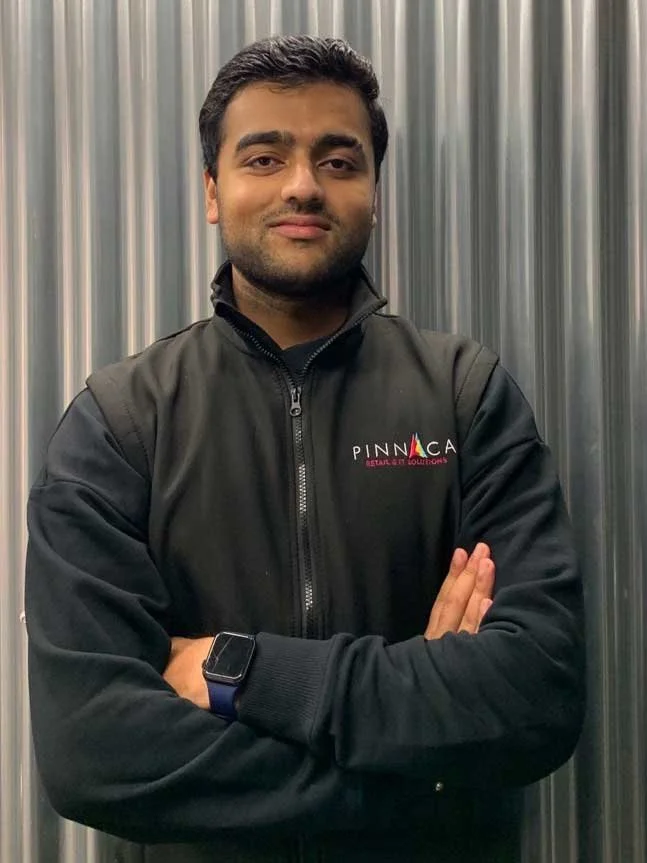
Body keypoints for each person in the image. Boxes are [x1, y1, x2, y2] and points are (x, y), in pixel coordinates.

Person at [25, 35, 585, 863]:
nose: (301, 185)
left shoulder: (463, 396)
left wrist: (239, 672)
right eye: (263, 157)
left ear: (372, 192)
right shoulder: (121, 423)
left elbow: (533, 696)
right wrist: (424, 768)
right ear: (213, 191)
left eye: (338, 160)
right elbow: (93, 754)